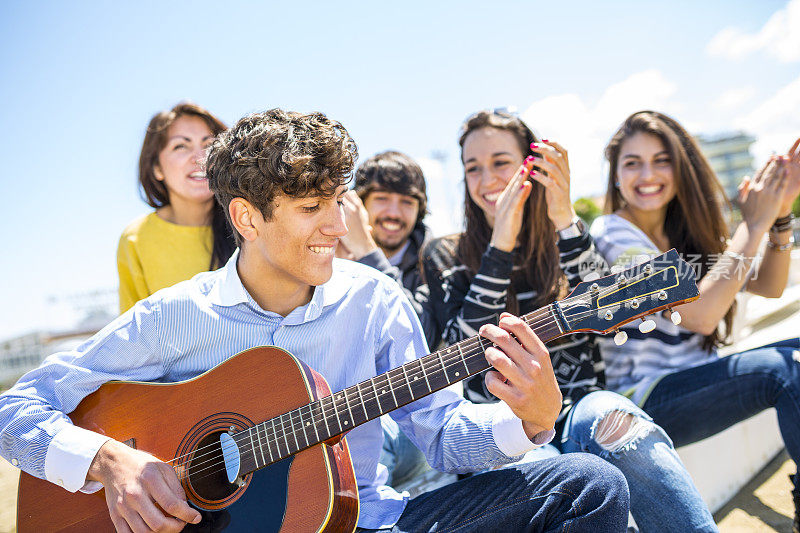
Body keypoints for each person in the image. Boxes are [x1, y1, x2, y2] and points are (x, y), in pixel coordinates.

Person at [0, 109, 629, 532]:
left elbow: (441, 434)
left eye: (336, 202)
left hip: (371, 523)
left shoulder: (377, 303)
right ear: (246, 219)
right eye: (310, 208)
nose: (336, 227)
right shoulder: (174, 317)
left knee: (586, 483)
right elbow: (15, 412)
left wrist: (531, 418)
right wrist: (110, 462)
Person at [421, 109, 717, 532]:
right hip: (501, 435)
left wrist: (562, 215)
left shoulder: (567, 241)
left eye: (501, 162)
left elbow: (620, 314)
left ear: (533, 166)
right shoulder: (444, 255)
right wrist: (499, 248)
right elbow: (459, 366)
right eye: (473, 168)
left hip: (580, 411)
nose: (487, 180)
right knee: (561, 476)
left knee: (614, 415)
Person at [589, 110, 800, 532]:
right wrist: (753, 220)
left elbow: (769, 285)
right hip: (646, 398)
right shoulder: (612, 233)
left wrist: (778, 216)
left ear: (681, 167)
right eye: (633, 163)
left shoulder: (684, 232)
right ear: (615, 175)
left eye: (661, 159)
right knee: (786, 371)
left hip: (698, 379)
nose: (647, 174)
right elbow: (702, 316)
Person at [337, 151, 433, 489]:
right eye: (381, 199)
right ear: (355, 203)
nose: (393, 213)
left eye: (407, 202)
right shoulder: (321, 253)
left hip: (411, 421)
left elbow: (422, 330)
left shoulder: (435, 260)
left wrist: (366, 251)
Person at [117, 102, 236, 313]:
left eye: (209, 145)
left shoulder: (249, 223)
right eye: (181, 146)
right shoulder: (136, 239)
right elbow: (135, 334)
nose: (200, 158)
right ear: (157, 168)